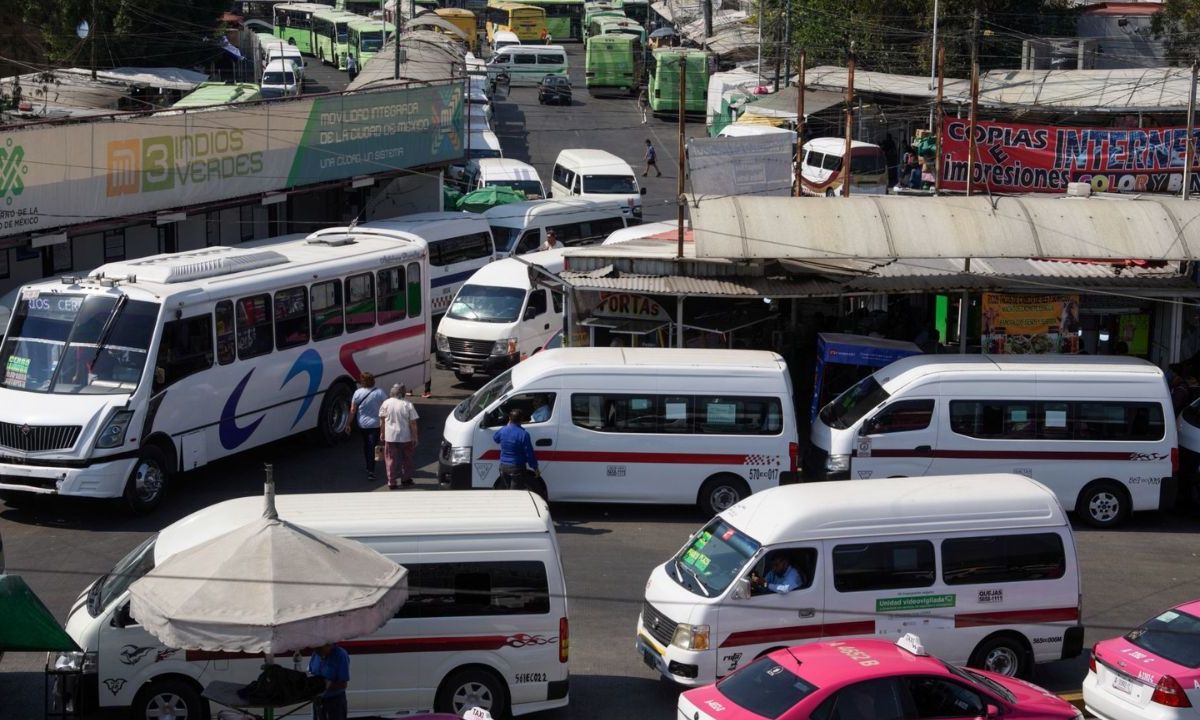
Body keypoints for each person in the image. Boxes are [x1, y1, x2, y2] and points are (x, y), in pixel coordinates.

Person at [379, 384, 419, 489]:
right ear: (402, 392)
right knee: (407, 459)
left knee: (390, 459)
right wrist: (415, 436)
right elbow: (413, 423)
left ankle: (391, 481)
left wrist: (382, 433)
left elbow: (382, 420)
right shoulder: (407, 404)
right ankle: (406, 479)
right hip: (405, 437)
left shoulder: (386, 403)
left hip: (390, 437)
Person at [348, 372, 385, 481]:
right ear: (373, 380)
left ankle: (369, 466)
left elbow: (352, 410)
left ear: (362, 381)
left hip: (362, 425)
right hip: (375, 424)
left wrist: (348, 423)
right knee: (372, 446)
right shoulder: (379, 392)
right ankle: (371, 470)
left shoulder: (357, 393)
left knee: (366, 445)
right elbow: (386, 408)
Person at [493, 409, 539, 490]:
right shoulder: (524, 434)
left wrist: (507, 425)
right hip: (517, 468)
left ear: (509, 419)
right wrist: (535, 468)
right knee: (515, 494)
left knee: (508, 491)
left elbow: (495, 438)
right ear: (521, 420)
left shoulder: (503, 430)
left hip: (504, 467)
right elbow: (529, 453)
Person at [309, 642, 350, 720]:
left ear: (328, 644)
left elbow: (343, 684)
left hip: (335, 701)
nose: (317, 651)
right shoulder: (316, 654)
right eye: (315, 649)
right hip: (318, 700)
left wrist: (324, 685)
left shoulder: (340, 655)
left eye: (319, 649)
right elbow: (311, 672)